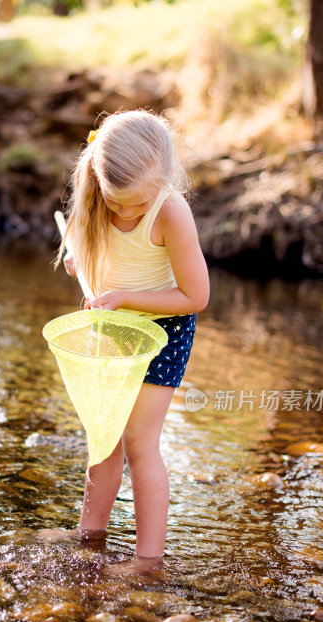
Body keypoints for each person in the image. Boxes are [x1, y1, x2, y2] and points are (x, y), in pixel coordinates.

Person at [42, 109, 209, 574]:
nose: (126, 212)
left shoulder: (170, 210)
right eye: (117, 204)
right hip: (112, 329)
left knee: (139, 442)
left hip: (163, 332)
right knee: (103, 437)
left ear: (162, 181)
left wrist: (123, 297)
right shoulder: (98, 197)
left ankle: (147, 560)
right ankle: (88, 536)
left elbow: (195, 296)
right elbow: (86, 248)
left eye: (136, 203)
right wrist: (81, 261)